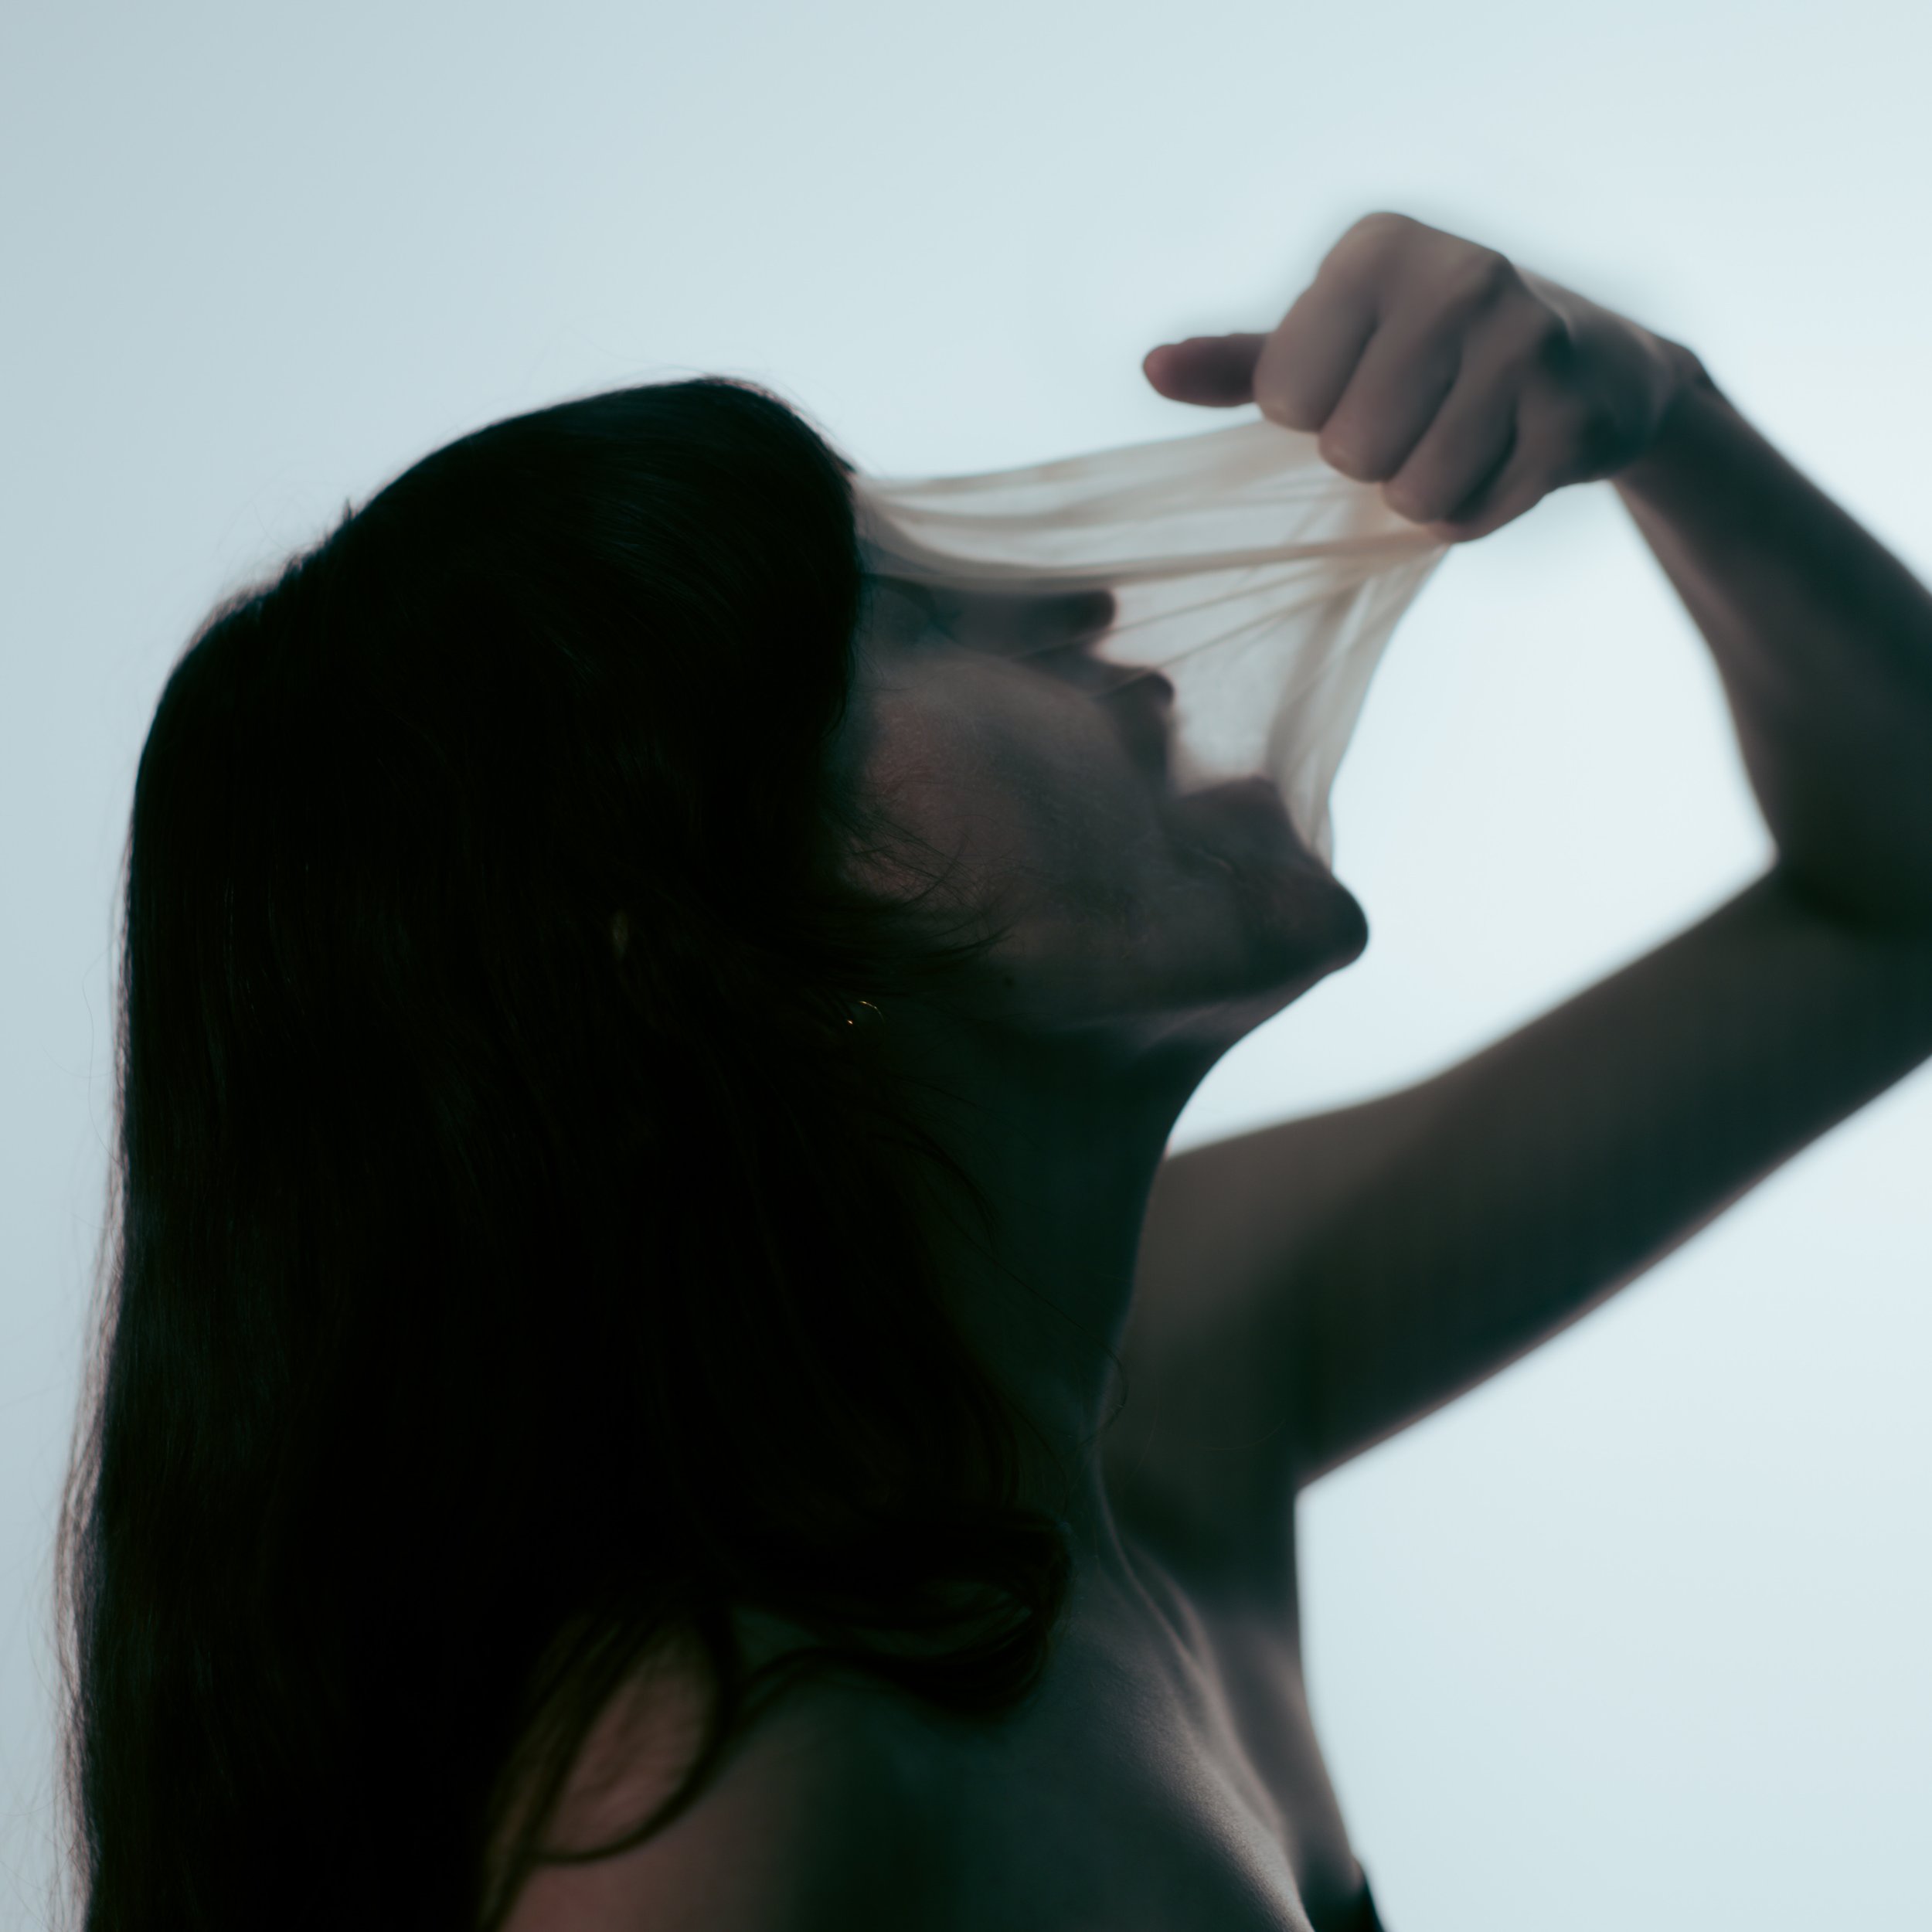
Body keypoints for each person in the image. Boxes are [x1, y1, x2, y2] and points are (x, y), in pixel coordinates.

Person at [56, 210, 1932, 1932]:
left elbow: (1902, 907)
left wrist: (1658, 413)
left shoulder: (1163, 1375)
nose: (1075, 607)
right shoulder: (719, 1794)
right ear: (696, 950)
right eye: (912, 617)